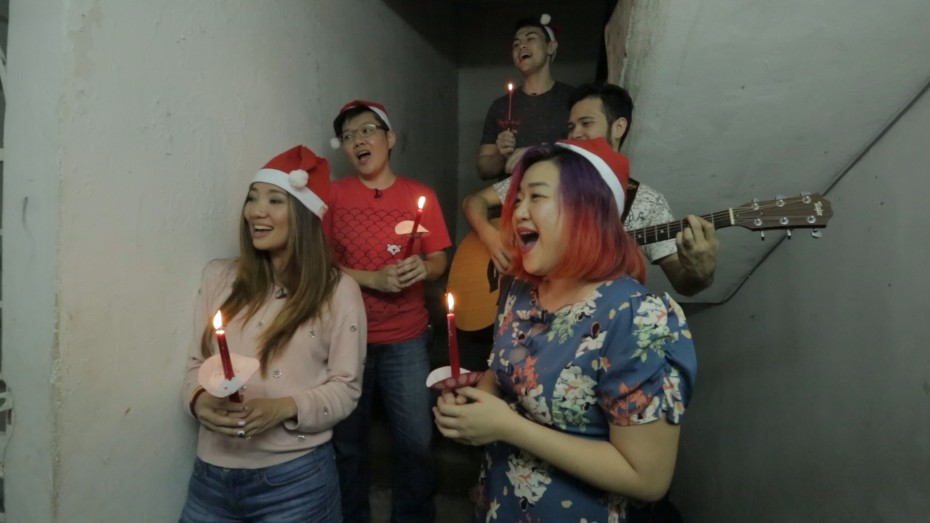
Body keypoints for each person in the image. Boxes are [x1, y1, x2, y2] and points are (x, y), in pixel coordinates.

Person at [434, 138, 697, 521]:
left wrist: (508, 427)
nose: (517, 211)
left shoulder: (637, 317)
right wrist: (472, 405)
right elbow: (500, 374)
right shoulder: (520, 290)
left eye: (535, 197)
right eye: (517, 199)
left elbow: (648, 477)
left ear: (586, 212)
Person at [179, 145, 367, 522]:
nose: (256, 211)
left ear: (303, 214)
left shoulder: (338, 291)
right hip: (211, 477)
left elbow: (346, 387)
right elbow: (197, 365)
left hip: (296, 483)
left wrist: (283, 408)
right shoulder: (219, 278)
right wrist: (199, 400)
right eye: (252, 198)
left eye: (274, 200)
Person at [464, 82, 719, 296]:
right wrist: (492, 237)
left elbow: (683, 282)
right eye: (571, 127)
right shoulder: (547, 177)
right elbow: (474, 202)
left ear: (618, 127)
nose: (576, 134)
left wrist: (701, 274)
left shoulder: (648, 202)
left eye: (586, 123)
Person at [325, 100, 452, 523]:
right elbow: (318, 265)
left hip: (406, 338)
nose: (358, 140)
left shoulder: (421, 196)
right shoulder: (332, 196)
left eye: (367, 130)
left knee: (415, 443)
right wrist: (370, 278)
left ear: (389, 139)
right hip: (346, 340)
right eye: (348, 136)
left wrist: (425, 267)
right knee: (347, 445)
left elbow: (439, 259)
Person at [476, 13, 576, 180]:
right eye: (516, 44)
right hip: (512, 200)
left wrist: (538, 152)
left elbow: (591, 155)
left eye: (530, 39)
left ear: (551, 47)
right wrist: (501, 156)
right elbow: (483, 170)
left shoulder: (574, 100)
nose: (521, 46)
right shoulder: (501, 106)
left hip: (559, 198)